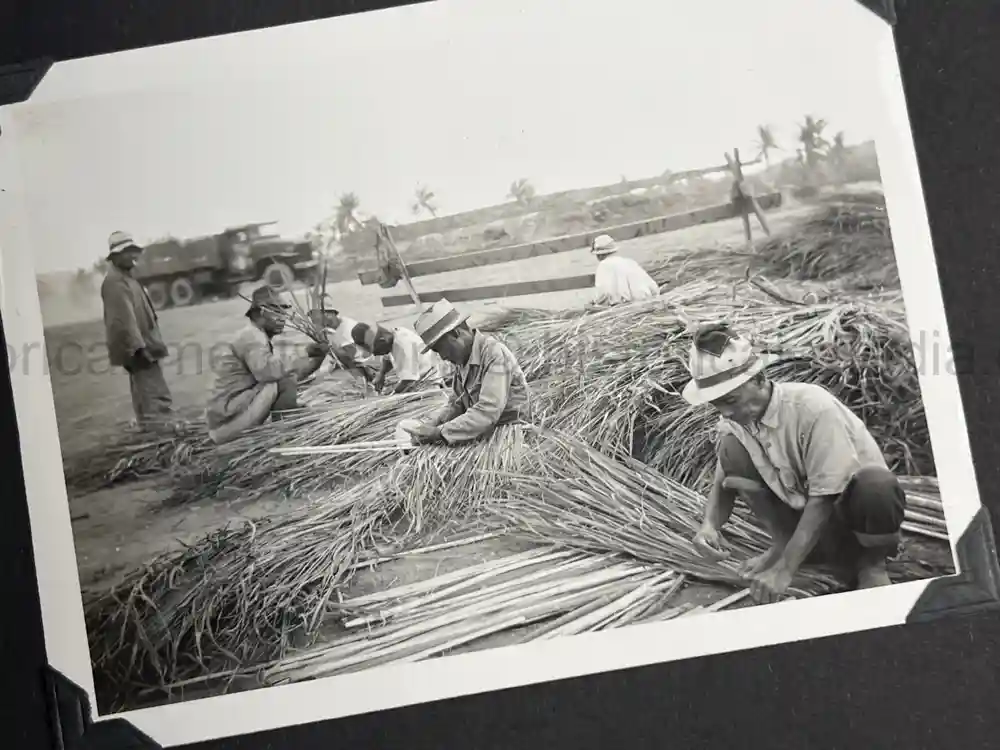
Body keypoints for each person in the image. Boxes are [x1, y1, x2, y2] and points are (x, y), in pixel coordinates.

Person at [684, 322, 906, 605]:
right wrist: (710, 525)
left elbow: (826, 497)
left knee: (876, 485)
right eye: (717, 405)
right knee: (730, 449)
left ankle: (872, 565)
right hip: (804, 519)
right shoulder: (736, 420)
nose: (725, 412)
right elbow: (722, 476)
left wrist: (784, 571)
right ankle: (781, 543)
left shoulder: (812, 407)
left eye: (731, 400)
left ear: (760, 380)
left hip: (852, 516)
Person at [205, 286, 330, 444]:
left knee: (285, 378)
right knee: (281, 379)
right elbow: (268, 373)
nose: (283, 319)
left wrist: (318, 357)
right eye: (278, 313)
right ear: (262, 312)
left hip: (231, 419)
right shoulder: (252, 336)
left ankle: (287, 425)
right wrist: (305, 352)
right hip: (226, 425)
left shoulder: (258, 336)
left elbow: (292, 374)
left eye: (284, 313)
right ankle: (285, 433)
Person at [402, 298, 531, 446]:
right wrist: (432, 424)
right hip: (485, 432)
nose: (443, 357)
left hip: (510, 435)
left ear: (456, 334)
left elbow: (488, 411)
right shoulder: (463, 360)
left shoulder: (494, 354)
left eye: (441, 349)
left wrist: (439, 433)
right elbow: (456, 403)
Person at [100, 230, 174, 428]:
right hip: (140, 351)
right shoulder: (115, 282)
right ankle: (160, 438)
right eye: (127, 251)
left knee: (146, 396)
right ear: (115, 256)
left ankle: (151, 435)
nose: (133, 255)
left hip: (145, 347)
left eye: (134, 250)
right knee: (155, 397)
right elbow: (122, 321)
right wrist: (139, 350)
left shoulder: (127, 277)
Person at [351, 322, 449, 394]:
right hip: (413, 379)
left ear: (381, 341)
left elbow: (408, 381)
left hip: (428, 384)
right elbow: (387, 357)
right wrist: (381, 373)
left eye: (376, 351)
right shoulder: (390, 338)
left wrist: (391, 397)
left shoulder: (403, 346)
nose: (376, 355)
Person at [306, 307, 378, 383]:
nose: (314, 323)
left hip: (364, 364)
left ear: (330, 314)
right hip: (346, 364)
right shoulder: (328, 330)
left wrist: (330, 348)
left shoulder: (350, 328)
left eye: (316, 319)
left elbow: (351, 357)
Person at [591, 234, 660, 305]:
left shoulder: (603, 266)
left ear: (600, 255)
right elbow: (653, 287)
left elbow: (603, 294)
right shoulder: (630, 262)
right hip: (645, 301)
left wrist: (594, 302)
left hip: (623, 306)